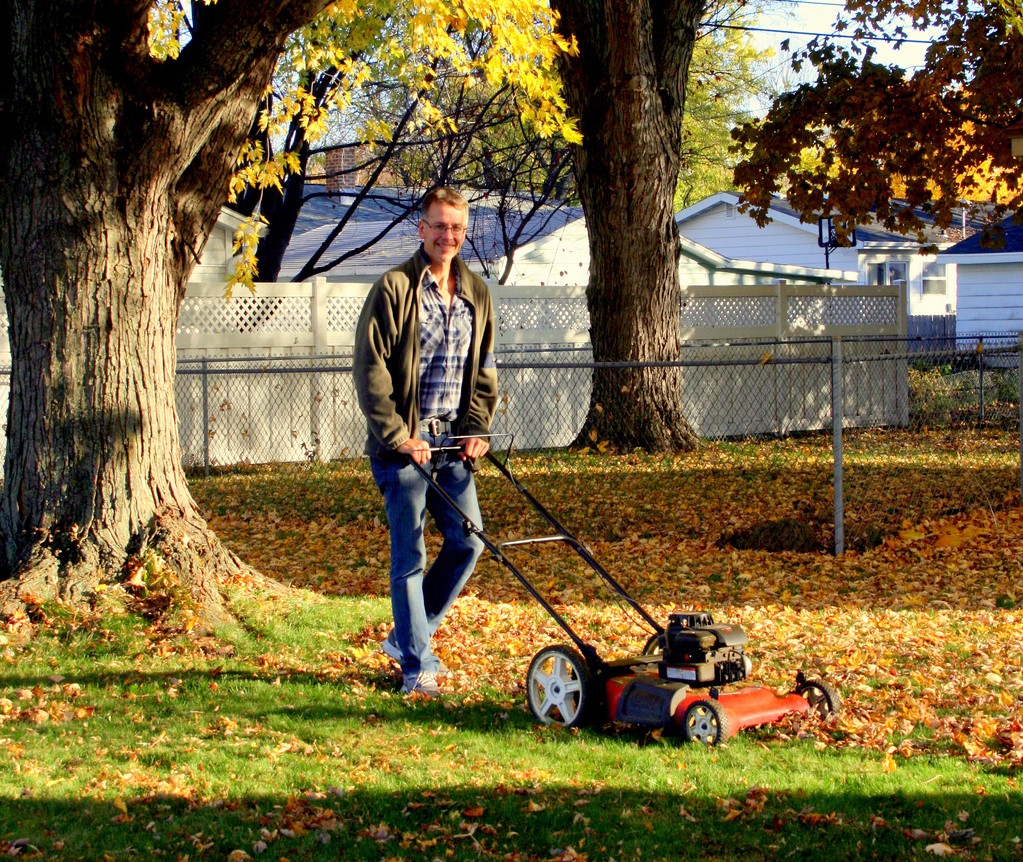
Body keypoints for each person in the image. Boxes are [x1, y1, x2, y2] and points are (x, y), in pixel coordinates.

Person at [353, 187, 498, 697]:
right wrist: (397, 436)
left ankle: (406, 636)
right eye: (439, 226)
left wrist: (476, 430)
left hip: (451, 445)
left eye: (456, 228)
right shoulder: (395, 289)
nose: (448, 236)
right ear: (422, 228)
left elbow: (484, 370)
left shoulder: (476, 291)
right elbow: (371, 371)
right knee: (409, 557)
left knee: (469, 541)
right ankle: (417, 665)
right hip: (403, 451)